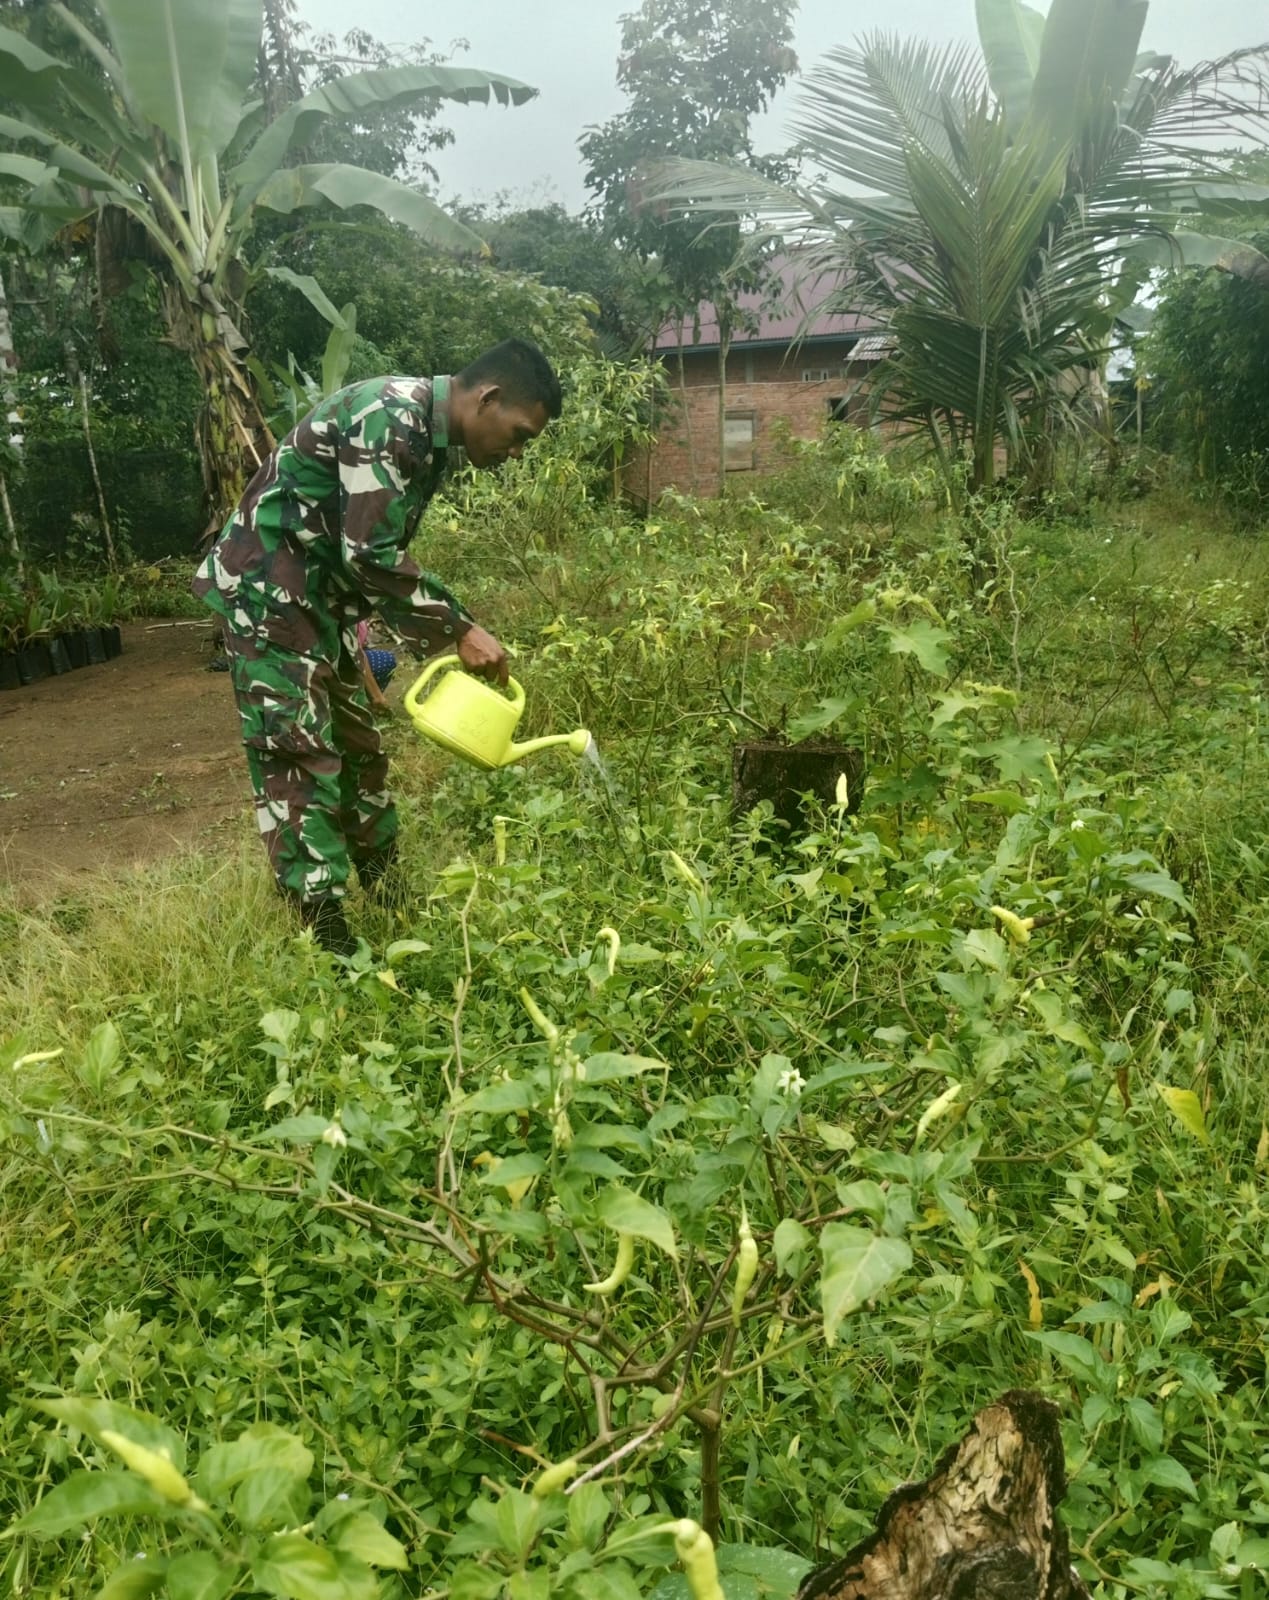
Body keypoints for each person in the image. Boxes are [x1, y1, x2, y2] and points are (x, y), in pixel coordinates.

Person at [193, 338, 562, 954]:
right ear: (488, 398)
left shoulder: (430, 436)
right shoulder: (390, 416)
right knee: (298, 749)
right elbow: (371, 557)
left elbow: (362, 547)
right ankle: (326, 932)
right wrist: (458, 628)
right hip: (268, 592)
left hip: (316, 600)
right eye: (519, 432)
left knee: (359, 744)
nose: (517, 449)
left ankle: (385, 887)